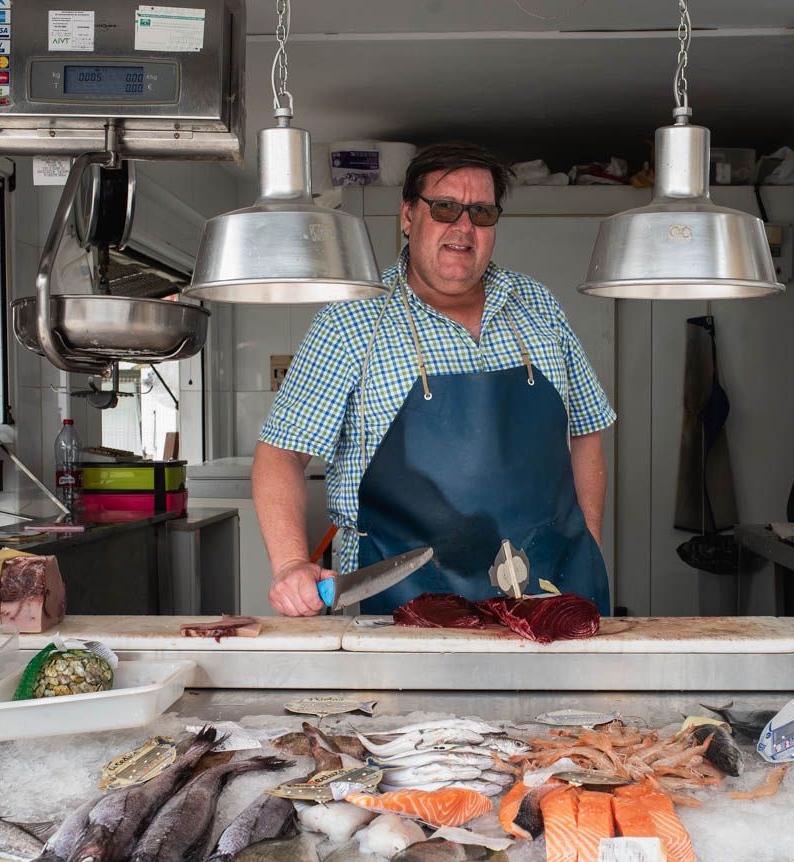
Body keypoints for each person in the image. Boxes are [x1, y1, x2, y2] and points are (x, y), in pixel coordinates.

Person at [252, 141, 616, 617]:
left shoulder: (538, 305)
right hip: (401, 603)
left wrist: (588, 544)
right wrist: (290, 563)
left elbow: (587, 429)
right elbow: (281, 453)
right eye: (445, 208)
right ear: (408, 215)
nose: (464, 227)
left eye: (482, 212)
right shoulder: (351, 322)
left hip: (549, 593)